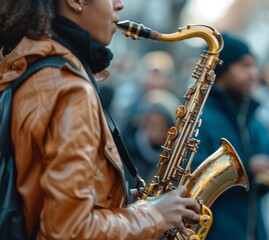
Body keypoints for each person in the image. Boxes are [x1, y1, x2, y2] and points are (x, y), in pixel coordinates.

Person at [0, 0, 201, 239]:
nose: (120, 5)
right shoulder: (68, 89)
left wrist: (116, 199)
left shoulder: (33, 70)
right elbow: (68, 230)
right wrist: (153, 214)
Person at [193, 33, 269, 240]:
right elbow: (192, 185)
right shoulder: (200, 120)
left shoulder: (252, 118)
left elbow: (255, 188)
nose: (254, 74)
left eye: (254, 66)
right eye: (245, 65)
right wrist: (248, 167)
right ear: (223, 68)